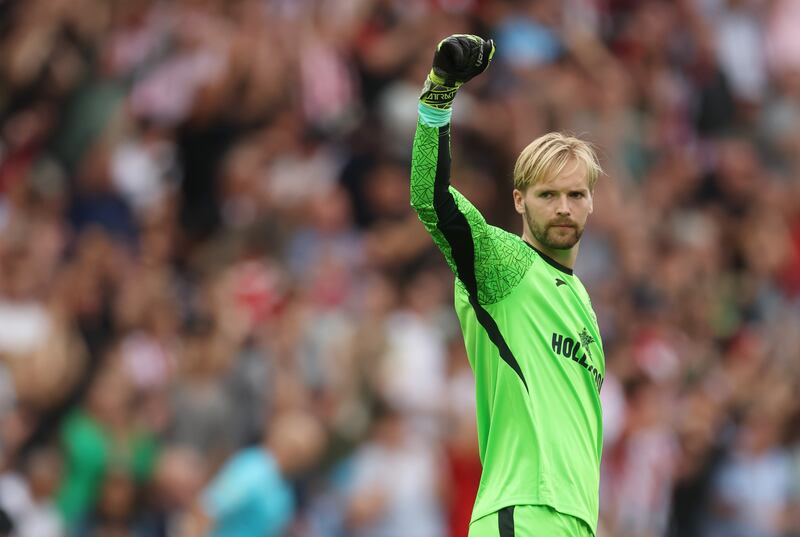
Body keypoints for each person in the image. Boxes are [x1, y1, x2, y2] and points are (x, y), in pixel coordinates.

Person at [410, 35, 605, 537]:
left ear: (591, 202)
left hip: (574, 521)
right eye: (547, 195)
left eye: (575, 194)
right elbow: (431, 199)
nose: (563, 207)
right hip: (523, 511)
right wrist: (439, 95)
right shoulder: (506, 264)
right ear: (519, 200)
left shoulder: (581, 299)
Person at [181, 410, 326, 537]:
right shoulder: (254, 470)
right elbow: (207, 509)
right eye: (297, 447)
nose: (301, 455)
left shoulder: (284, 482)